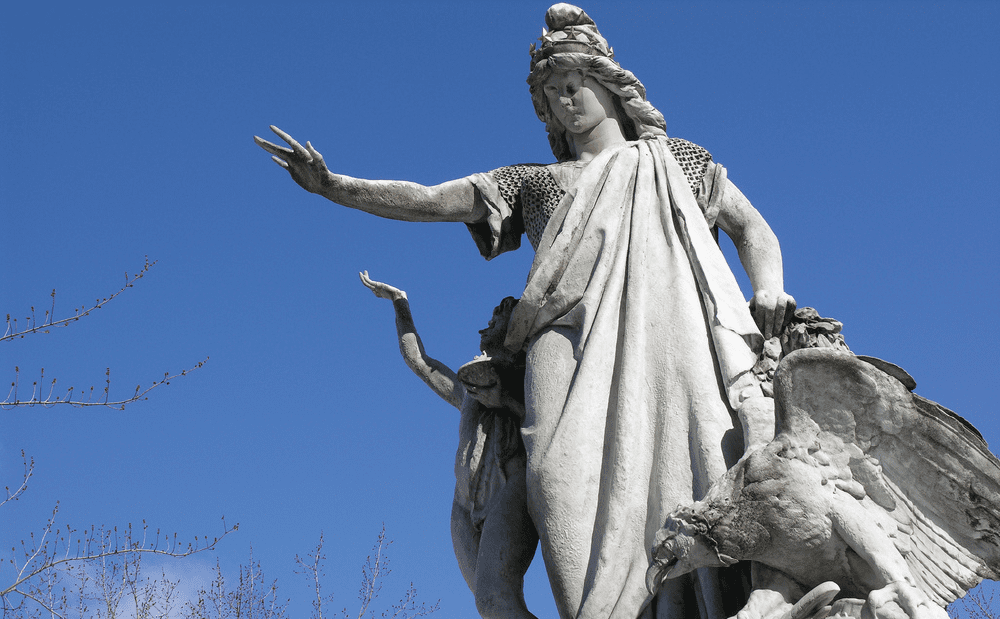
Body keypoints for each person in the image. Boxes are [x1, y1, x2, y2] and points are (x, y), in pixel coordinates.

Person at [256, 5, 795, 618]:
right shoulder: (533, 181)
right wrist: (337, 187)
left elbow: (753, 229)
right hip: (561, 343)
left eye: (574, 86)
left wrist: (768, 286)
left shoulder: (678, 162)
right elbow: (434, 200)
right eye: (550, 93)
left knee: (697, 455)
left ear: (610, 89)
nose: (566, 101)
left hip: (676, 333)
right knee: (556, 478)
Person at [359, 272, 539, 619]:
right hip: (462, 504)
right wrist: (400, 302)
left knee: (495, 599)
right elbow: (420, 363)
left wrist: (506, 401)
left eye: (494, 320)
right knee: (490, 609)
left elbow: (549, 430)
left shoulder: (531, 377)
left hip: (512, 487)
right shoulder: (468, 392)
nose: (482, 328)